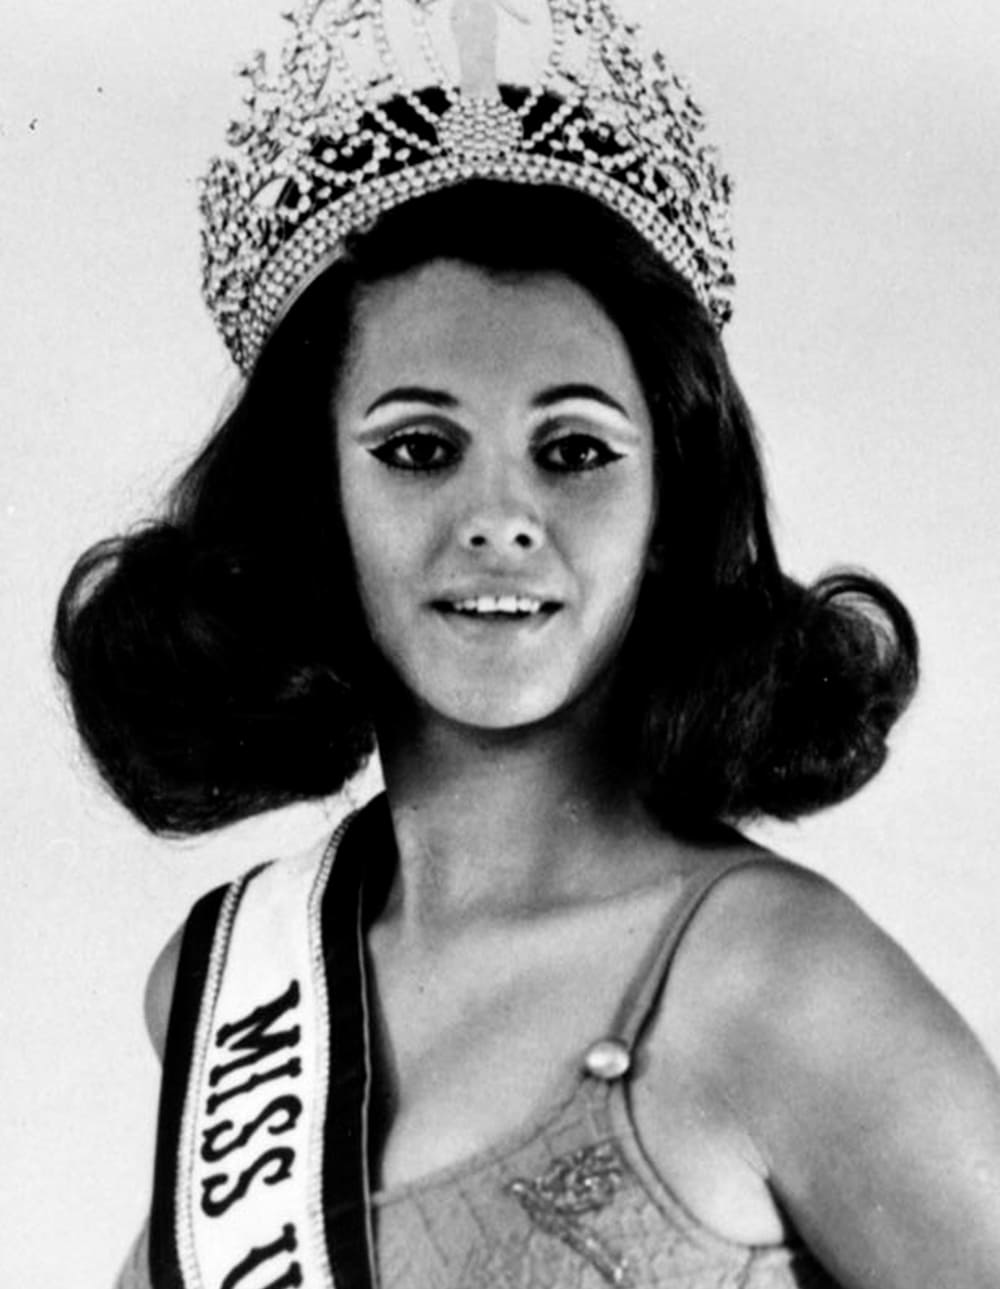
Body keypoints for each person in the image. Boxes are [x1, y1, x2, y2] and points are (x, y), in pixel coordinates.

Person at [54, 2, 1000, 1286]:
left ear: (668, 511)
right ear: (314, 506)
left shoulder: (780, 984)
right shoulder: (226, 991)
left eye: (573, 450)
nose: (500, 517)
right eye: (417, 448)